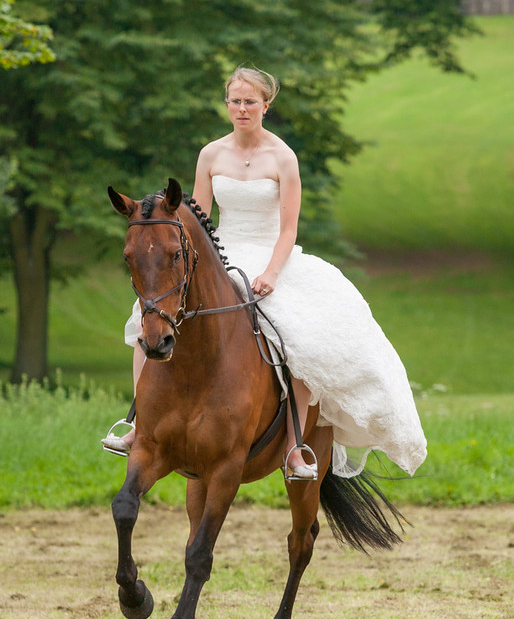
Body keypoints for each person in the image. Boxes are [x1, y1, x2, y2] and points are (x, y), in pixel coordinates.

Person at [103, 66, 427, 481]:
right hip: (221, 252)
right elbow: (196, 223)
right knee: (143, 317)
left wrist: (273, 272)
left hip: (272, 255)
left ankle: (295, 446)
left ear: (265, 106)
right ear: (227, 105)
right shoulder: (211, 154)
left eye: (249, 101)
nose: (241, 109)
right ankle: (139, 424)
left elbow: (289, 228)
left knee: (303, 338)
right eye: (235, 101)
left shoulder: (283, 157)